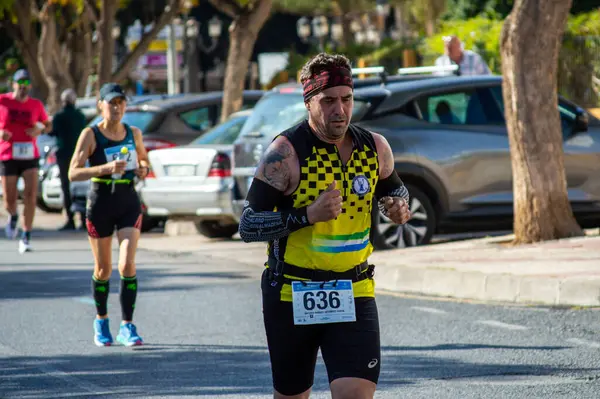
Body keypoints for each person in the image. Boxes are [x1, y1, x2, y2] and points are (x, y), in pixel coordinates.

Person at [238, 53, 412, 399]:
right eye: (328, 100)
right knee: (292, 395)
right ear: (308, 102)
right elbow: (248, 225)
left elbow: (395, 188)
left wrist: (396, 205)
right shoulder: (285, 153)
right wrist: (306, 215)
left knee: (355, 394)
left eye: (346, 99)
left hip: (354, 289)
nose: (340, 110)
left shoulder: (375, 147)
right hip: (291, 291)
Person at [68, 83, 150, 347]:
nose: (116, 108)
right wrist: (104, 168)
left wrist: (143, 169)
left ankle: (127, 325)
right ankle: (101, 320)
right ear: (100, 105)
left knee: (127, 264)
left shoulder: (133, 133)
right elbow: (73, 172)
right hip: (100, 202)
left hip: (127, 201)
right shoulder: (90, 134)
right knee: (103, 269)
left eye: (120, 103)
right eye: (111, 103)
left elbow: (144, 159)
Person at [0, 69, 52, 253]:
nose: (23, 87)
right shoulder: (3, 101)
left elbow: (47, 124)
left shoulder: (35, 105)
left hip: (30, 154)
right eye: (20, 83)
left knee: (30, 196)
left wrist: (39, 130)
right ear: (13, 84)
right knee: (10, 198)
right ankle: (13, 216)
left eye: (26, 83)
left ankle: (26, 235)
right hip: (8, 154)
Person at [49, 88, 88, 230]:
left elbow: (52, 132)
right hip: (79, 154)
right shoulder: (80, 116)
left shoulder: (59, 116)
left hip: (64, 155)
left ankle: (70, 219)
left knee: (66, 187)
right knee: (81, 186)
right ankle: (83, 219)